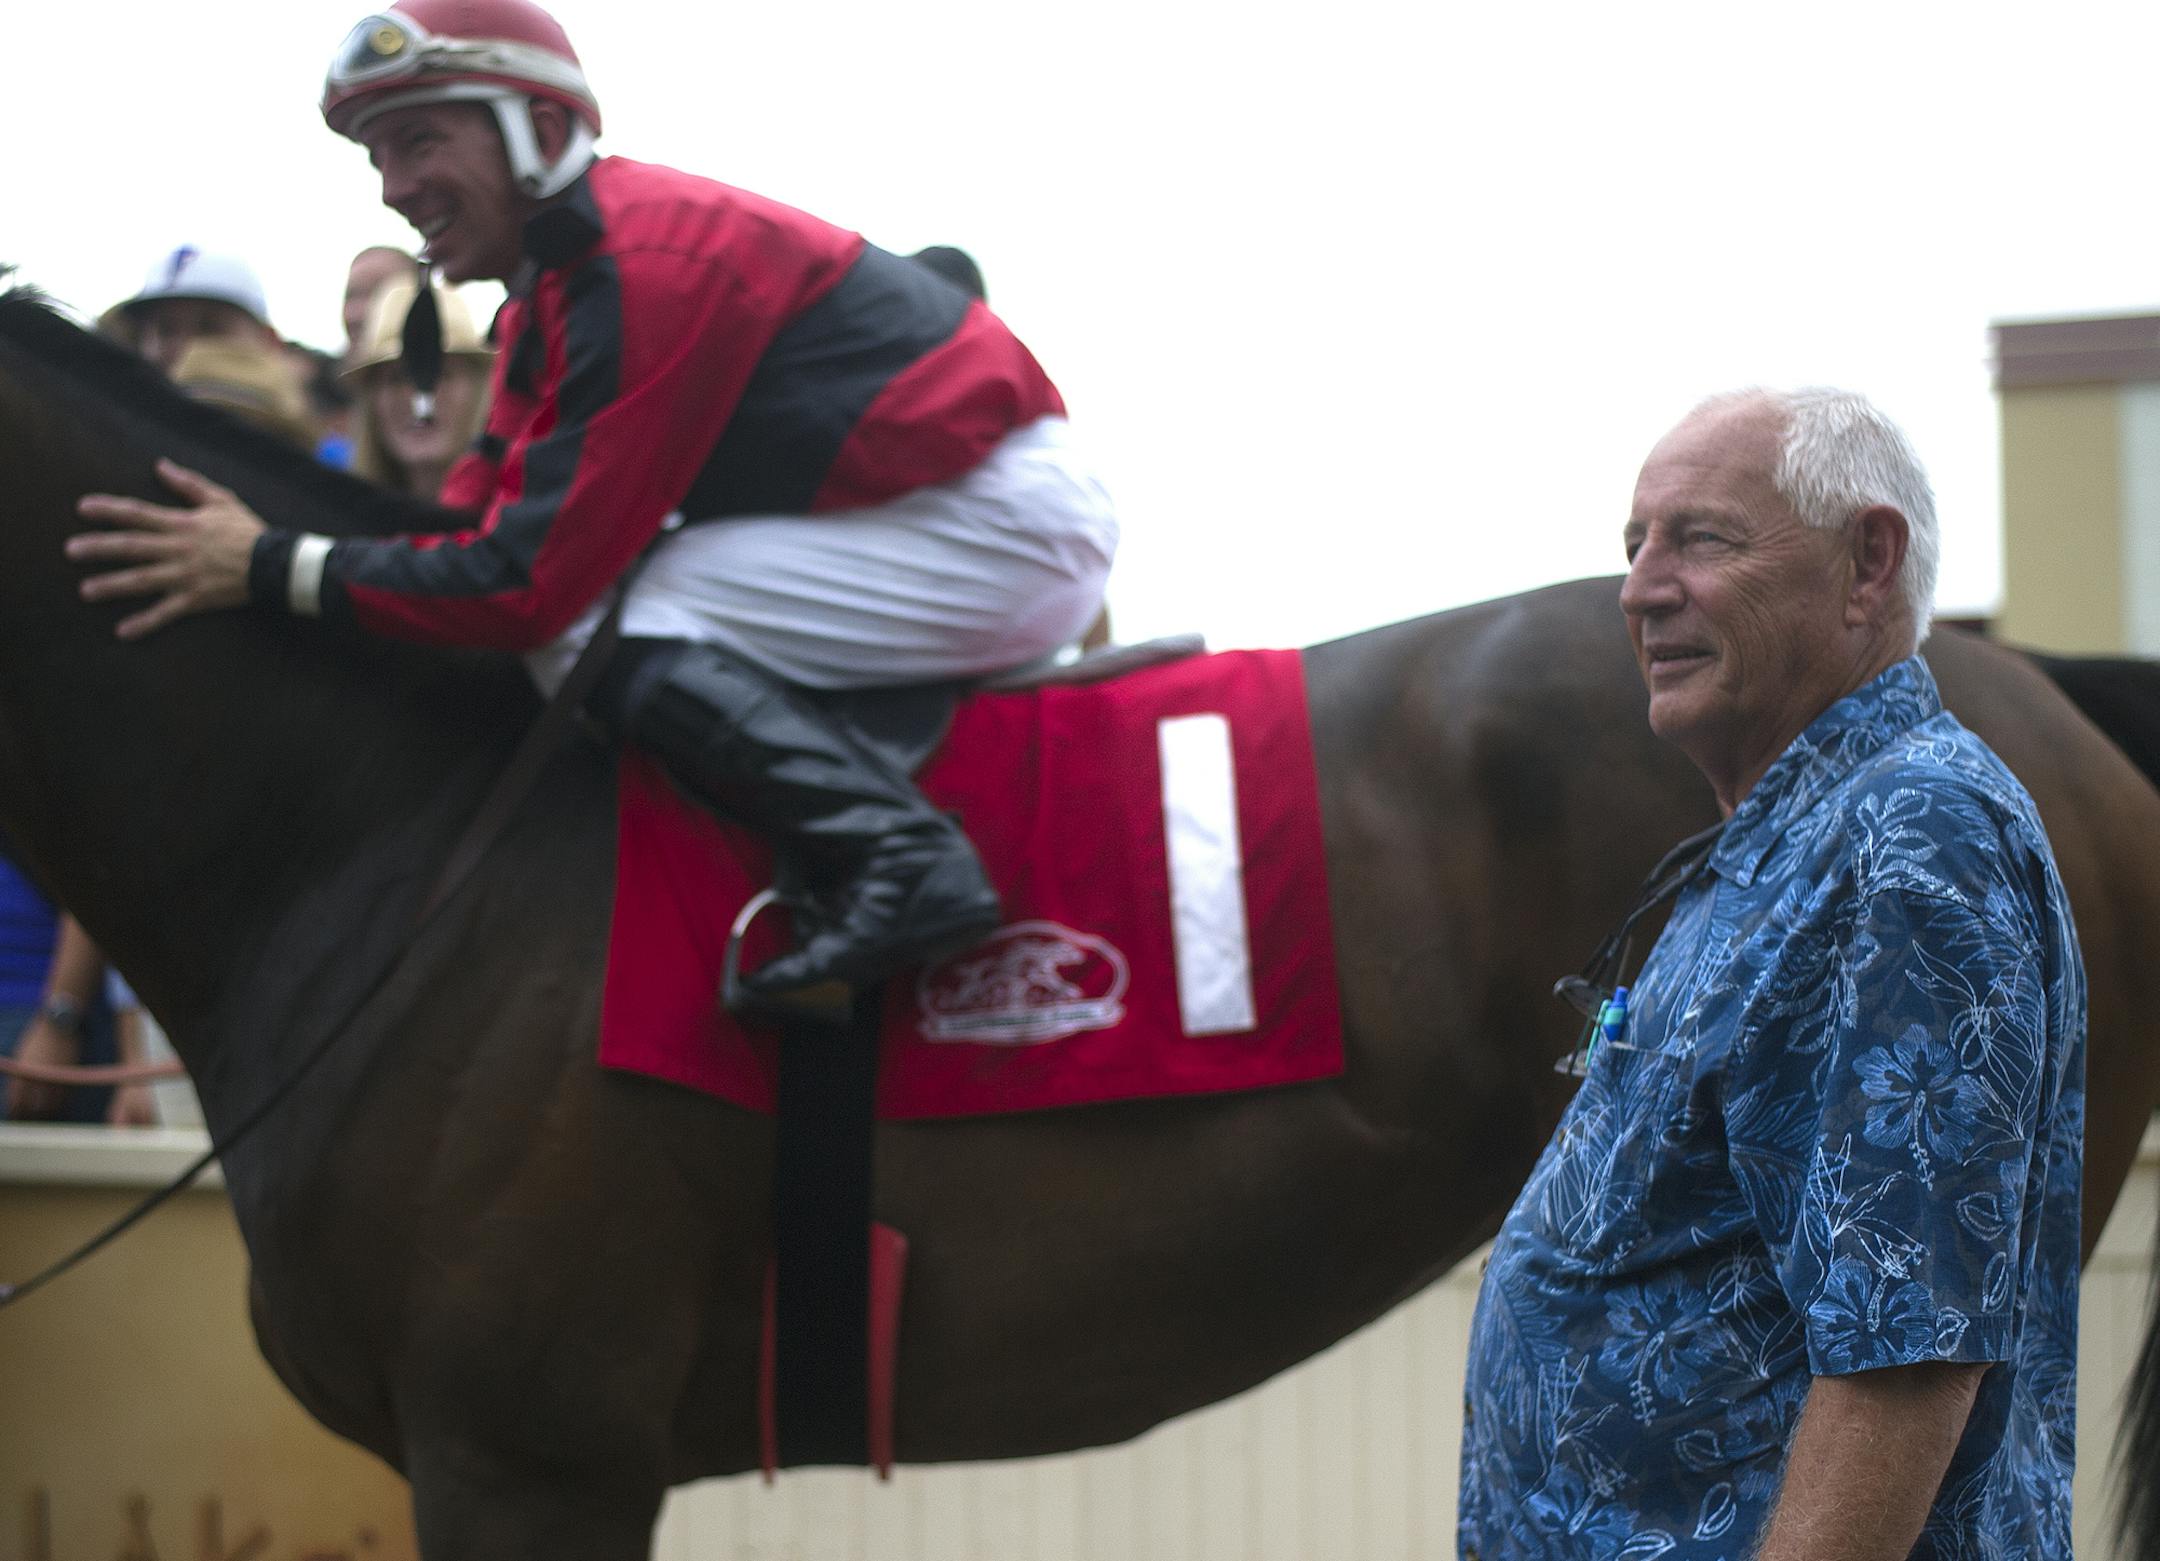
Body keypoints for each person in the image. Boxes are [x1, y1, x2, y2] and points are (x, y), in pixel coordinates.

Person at [68, 0, 1118, 1005]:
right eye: (379, 155)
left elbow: (525, 587)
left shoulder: (638, 260)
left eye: (420, 142)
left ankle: (902, 854)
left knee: (585, 626)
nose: (393, 185)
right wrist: (296, 560)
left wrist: (266, 565)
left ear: (541, 128)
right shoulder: (553, 289)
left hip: (996, 523)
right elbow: (467, 525)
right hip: (934, 511)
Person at [1456, 389, 2085, 1558]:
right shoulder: (1792, 840)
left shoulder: (1910, 835)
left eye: (1701, 539)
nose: (1640, 588)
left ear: (1867, 566)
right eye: (1635, 545)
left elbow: (1903, 1354)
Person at [345, 276, 494, 497]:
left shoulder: (526, 511)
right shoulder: (338, 523)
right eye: (395, 379)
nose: (418, 397)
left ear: (480, 388)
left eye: (440, 374)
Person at [100, 246, 285, 378]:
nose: (183, 348)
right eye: (166, 330)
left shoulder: (298, 431)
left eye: (209, 328)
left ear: (269, 343)